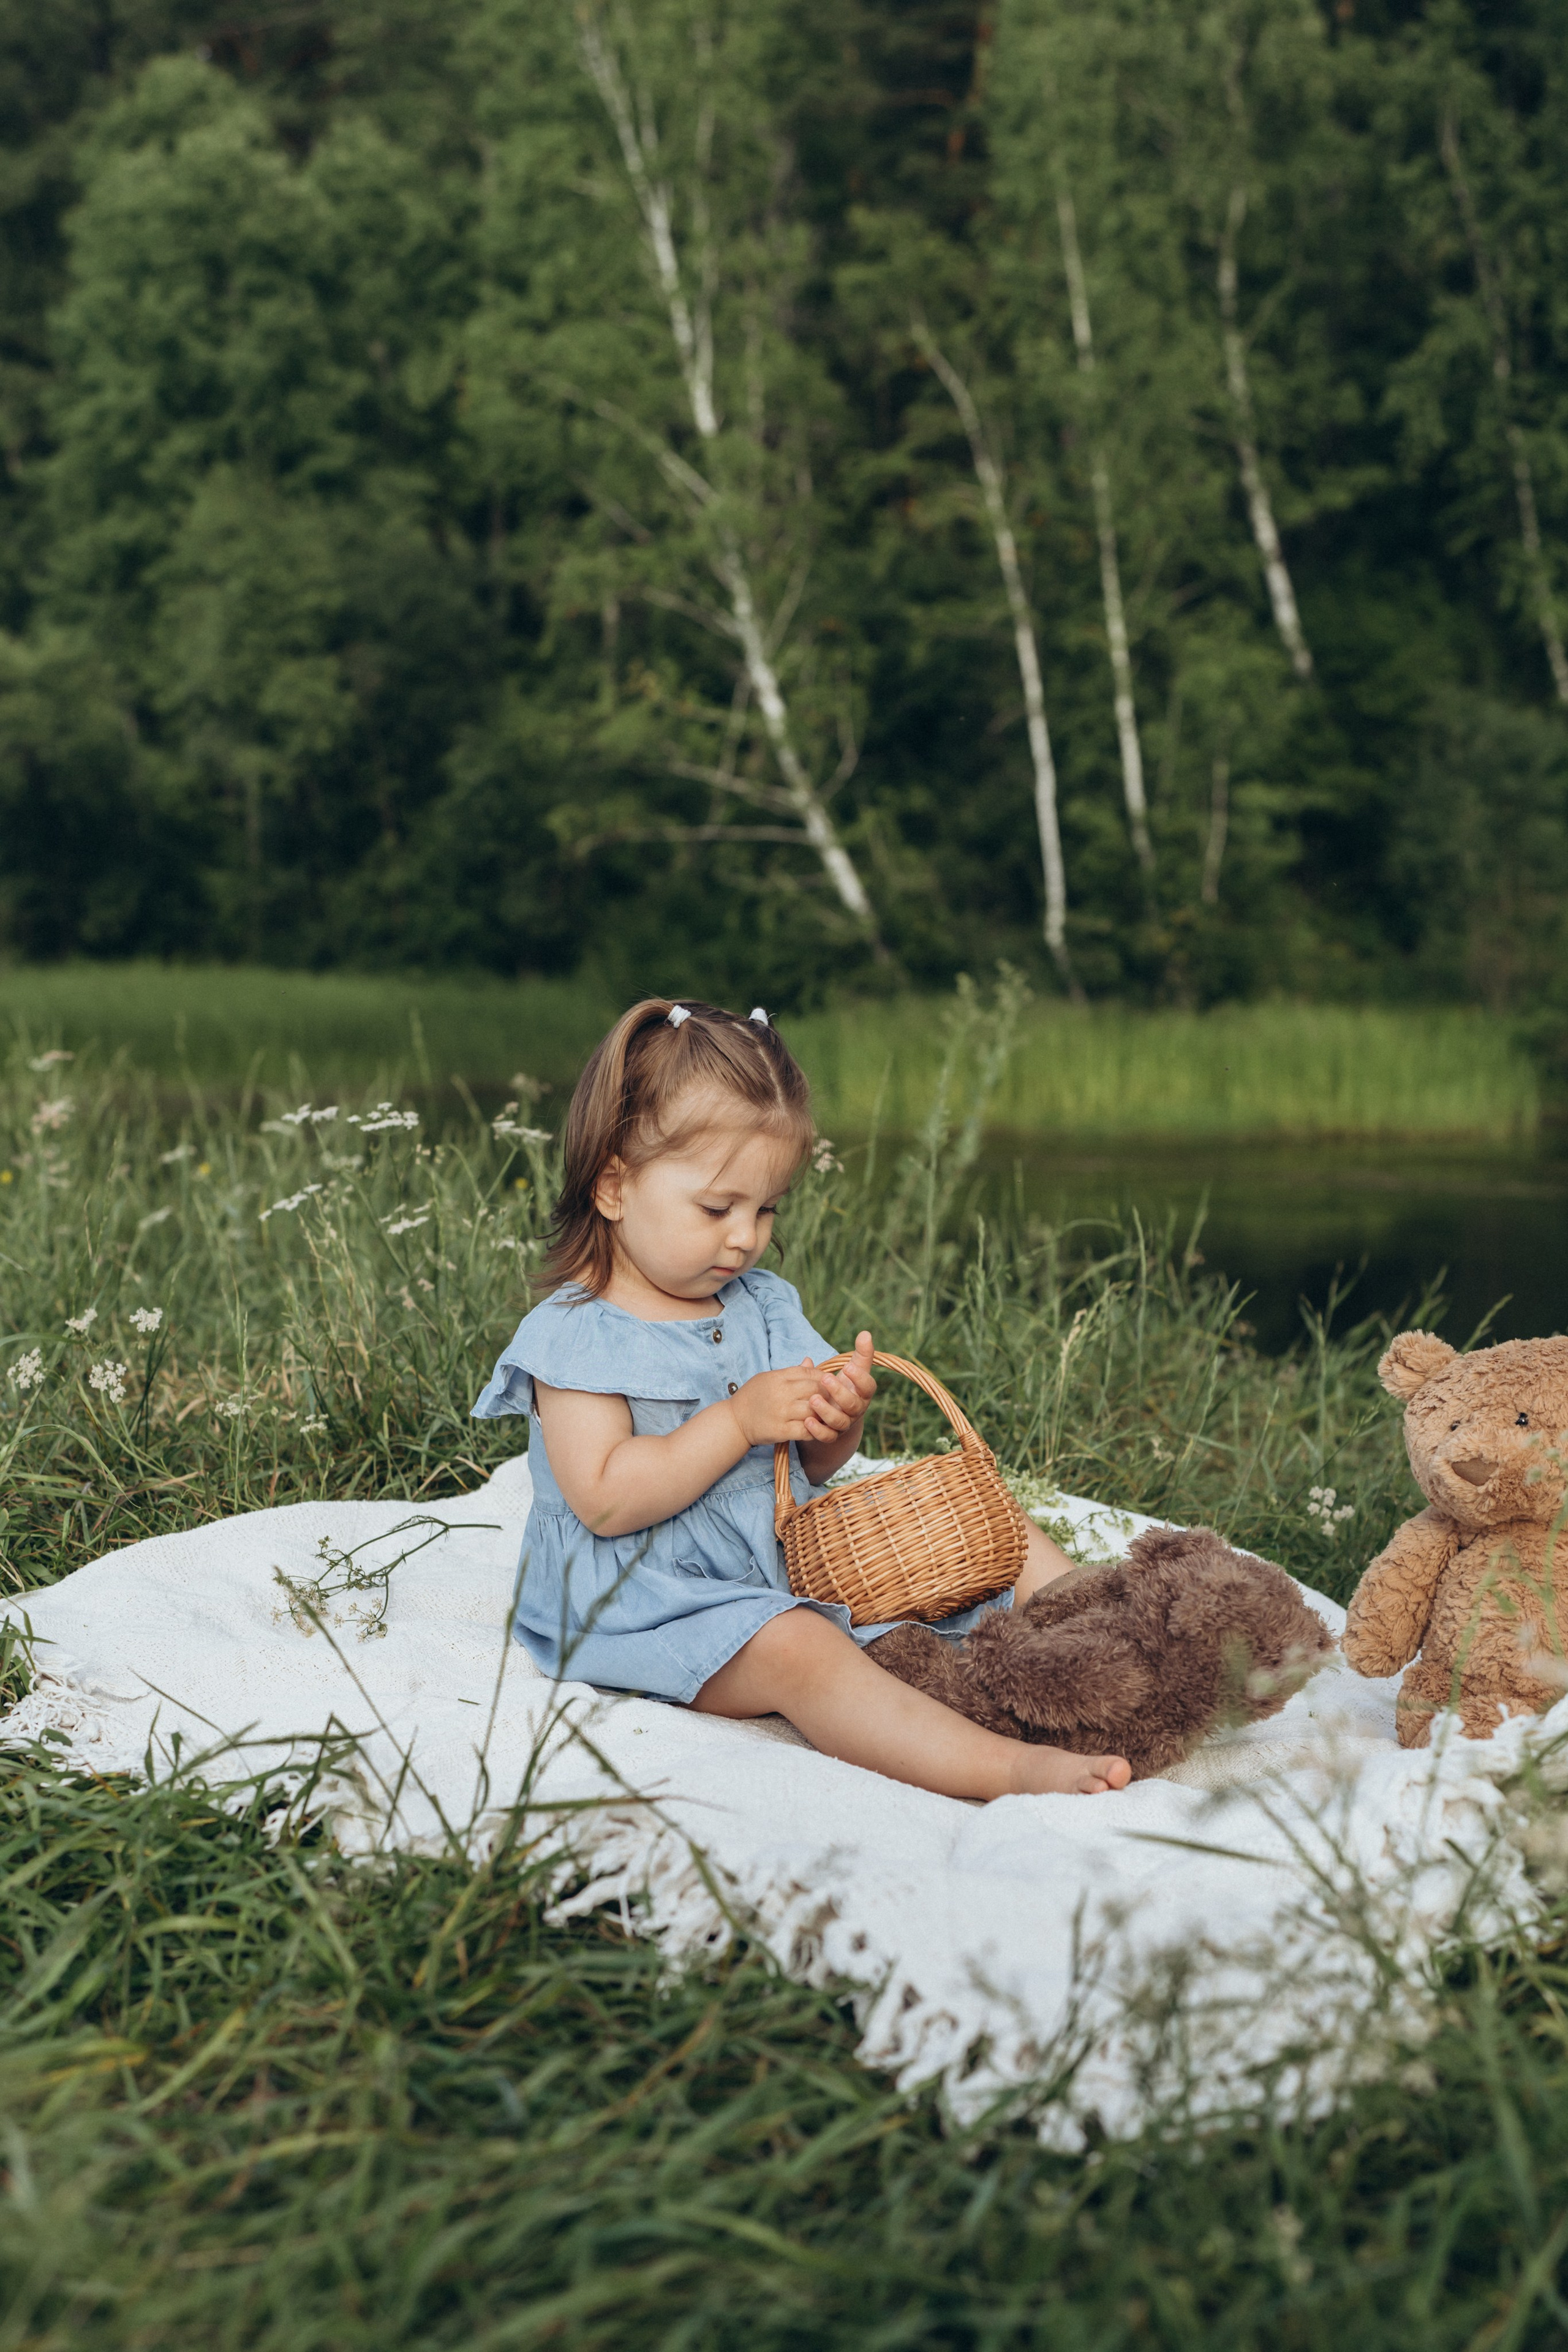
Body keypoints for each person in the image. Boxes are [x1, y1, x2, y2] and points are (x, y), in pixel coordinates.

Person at [473, 998, 1131, 1798]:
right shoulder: (578, 1334)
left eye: (768, 1208)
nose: (746, 1236)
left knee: (989, 1520)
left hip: (773, 1554)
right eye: (718, 1208)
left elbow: (813, 1461)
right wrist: (737, 1419)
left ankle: (1112, 1639)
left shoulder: (761, 1302)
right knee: (798, 1650)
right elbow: (608, 1501)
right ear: (613, 1186)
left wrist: (834, 1420)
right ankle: (1005, 1769)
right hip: (643, 1606)